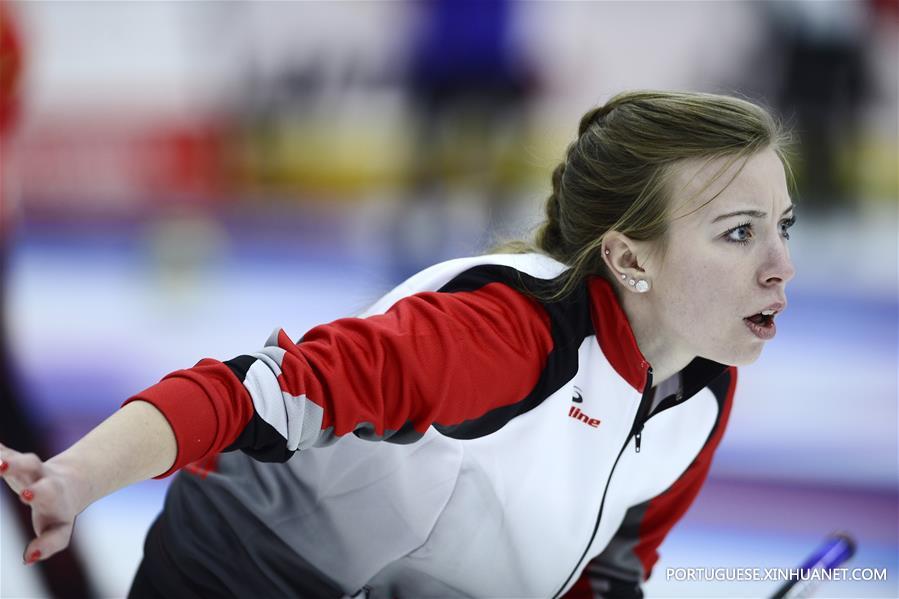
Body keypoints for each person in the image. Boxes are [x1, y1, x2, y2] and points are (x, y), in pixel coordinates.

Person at [0, 90, 796, 599]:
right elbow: (251, 392)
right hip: (242, 571)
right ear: (627, 258)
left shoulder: (698, 379)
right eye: (738, 234)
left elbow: (610, 568)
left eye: (782, 228)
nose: (779, 267)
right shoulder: (503, 337)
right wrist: (78, 474)